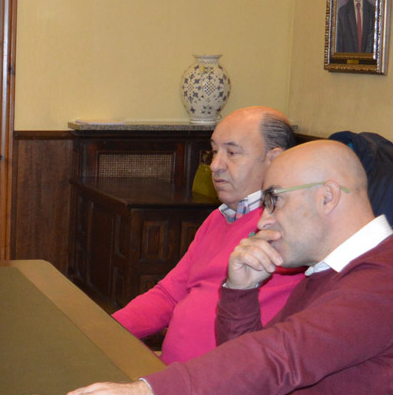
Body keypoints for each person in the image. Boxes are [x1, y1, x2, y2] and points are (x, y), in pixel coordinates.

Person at [48, 140, 393, 395]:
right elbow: (259, 365)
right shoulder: (332, 271)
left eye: (274, 201)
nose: (263, 221)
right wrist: (240, 292)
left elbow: (278, 358)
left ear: (328, 197)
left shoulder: (390, 280)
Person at [112, 107, 304, 363]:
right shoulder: (220, 217)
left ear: (274, 159)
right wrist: (104, 330)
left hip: (219, 389)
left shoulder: (289, 229)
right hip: (168, 376)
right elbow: (169, 294)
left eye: (232, 153)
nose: (215, 166)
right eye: (214, 151)